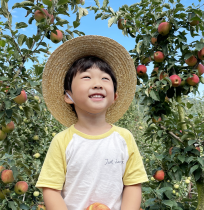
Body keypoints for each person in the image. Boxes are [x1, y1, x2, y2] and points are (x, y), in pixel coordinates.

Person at [35, 35, 149, 210]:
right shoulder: (62, 141)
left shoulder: (124, 138)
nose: (97, 84)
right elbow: (51, 189)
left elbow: (133, 185)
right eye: (86, 77)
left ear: (115, 97)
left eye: (105, 79)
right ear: (68, 96)